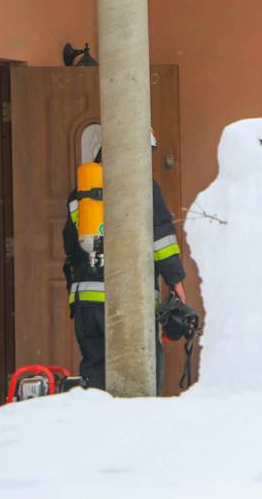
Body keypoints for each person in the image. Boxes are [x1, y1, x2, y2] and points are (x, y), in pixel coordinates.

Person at [62, 129, 186, 393]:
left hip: (87, 303)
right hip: (128, 301)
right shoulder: (142, 188)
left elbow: (71, 246)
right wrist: (176, 282)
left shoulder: (80, 194)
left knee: (95, 374)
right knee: (140, 378)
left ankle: (96, 425)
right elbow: (161, 237)